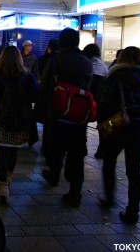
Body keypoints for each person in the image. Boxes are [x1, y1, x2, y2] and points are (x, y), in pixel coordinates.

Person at [96, 46, 140, 224]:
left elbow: (104, 103)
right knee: (134, 172)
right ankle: (133, 211)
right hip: (138, 132)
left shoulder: (114, 78)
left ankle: (109, 198)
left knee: (109, 163)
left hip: (116, 130)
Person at [39, 28, 93, 207]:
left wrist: (43, 110)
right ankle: (75, 192)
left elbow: (46, 87)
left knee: (55, 149)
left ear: (62, 42)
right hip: (79, 118)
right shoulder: (86, 62)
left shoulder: (56, 61)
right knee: (77, 154)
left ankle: (54, 174)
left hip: (58, 114)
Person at [0, 46, 38, 204]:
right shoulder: (26, 75)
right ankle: (8, 179)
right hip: (20, 119)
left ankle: (3, 185)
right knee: (13, 151)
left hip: (1, 118)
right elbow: (35, 96)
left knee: (2, 152)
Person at [83, 43, 109, 160]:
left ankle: (82, 148)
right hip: (103, 101)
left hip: (89, 100)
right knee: (102, 126)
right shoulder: (103, 66)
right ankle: (102, 150)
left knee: (82, 124)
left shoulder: (89, 65)